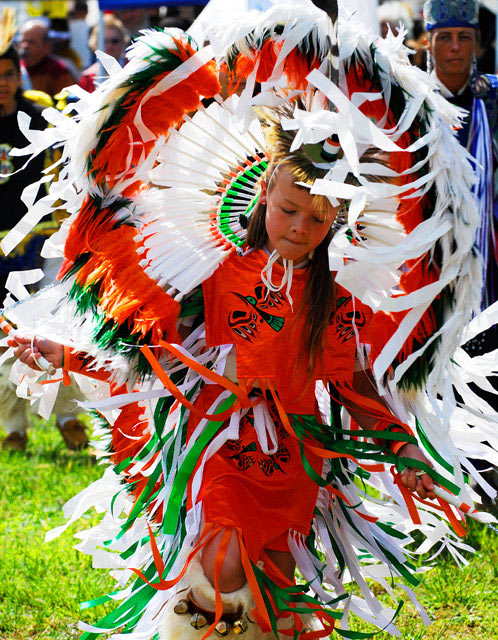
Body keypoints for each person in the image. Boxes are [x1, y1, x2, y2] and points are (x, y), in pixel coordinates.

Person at [3, 3, 497, 638]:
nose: (298, 228)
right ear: (265, 193)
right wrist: (62, 351)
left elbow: (356, 387)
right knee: (222, 558)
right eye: (289, 208)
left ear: (336, 223)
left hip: (292, 455)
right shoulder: (215, 270)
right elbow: (156, 356)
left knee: (268, 590)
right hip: (215, 437)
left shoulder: (336, 299)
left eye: (317, 220)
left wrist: (404, 452)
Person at [0, 19, 87, 452]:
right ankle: (13, 425)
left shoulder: (39, 117)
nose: (3, 84)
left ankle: (68, 415)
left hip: (38, 242)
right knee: (3, 335)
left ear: (21, 74)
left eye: (9, 74)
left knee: (52, 327)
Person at [424, 0, 498, 410]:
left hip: (490, 261)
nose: (455, 47)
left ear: (478, 45)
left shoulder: (494, 99)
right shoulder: (410, 102)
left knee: (488, 377)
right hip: (429, 263)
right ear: (428, 43)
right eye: (445, 38)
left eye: (464, 38)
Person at [18, 18, 76, 96]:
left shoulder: (58, 71)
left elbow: (65, 103)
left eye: (31, 42)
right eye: (22, 41)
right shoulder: (14, 68)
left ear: (46, 46)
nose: (24, 46)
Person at [78, 13, 128, 93]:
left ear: (123, 42)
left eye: (114, 41)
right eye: (104, 41)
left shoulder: (134, 70)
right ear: (95, 44)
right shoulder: (88, 77)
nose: (110, 45)